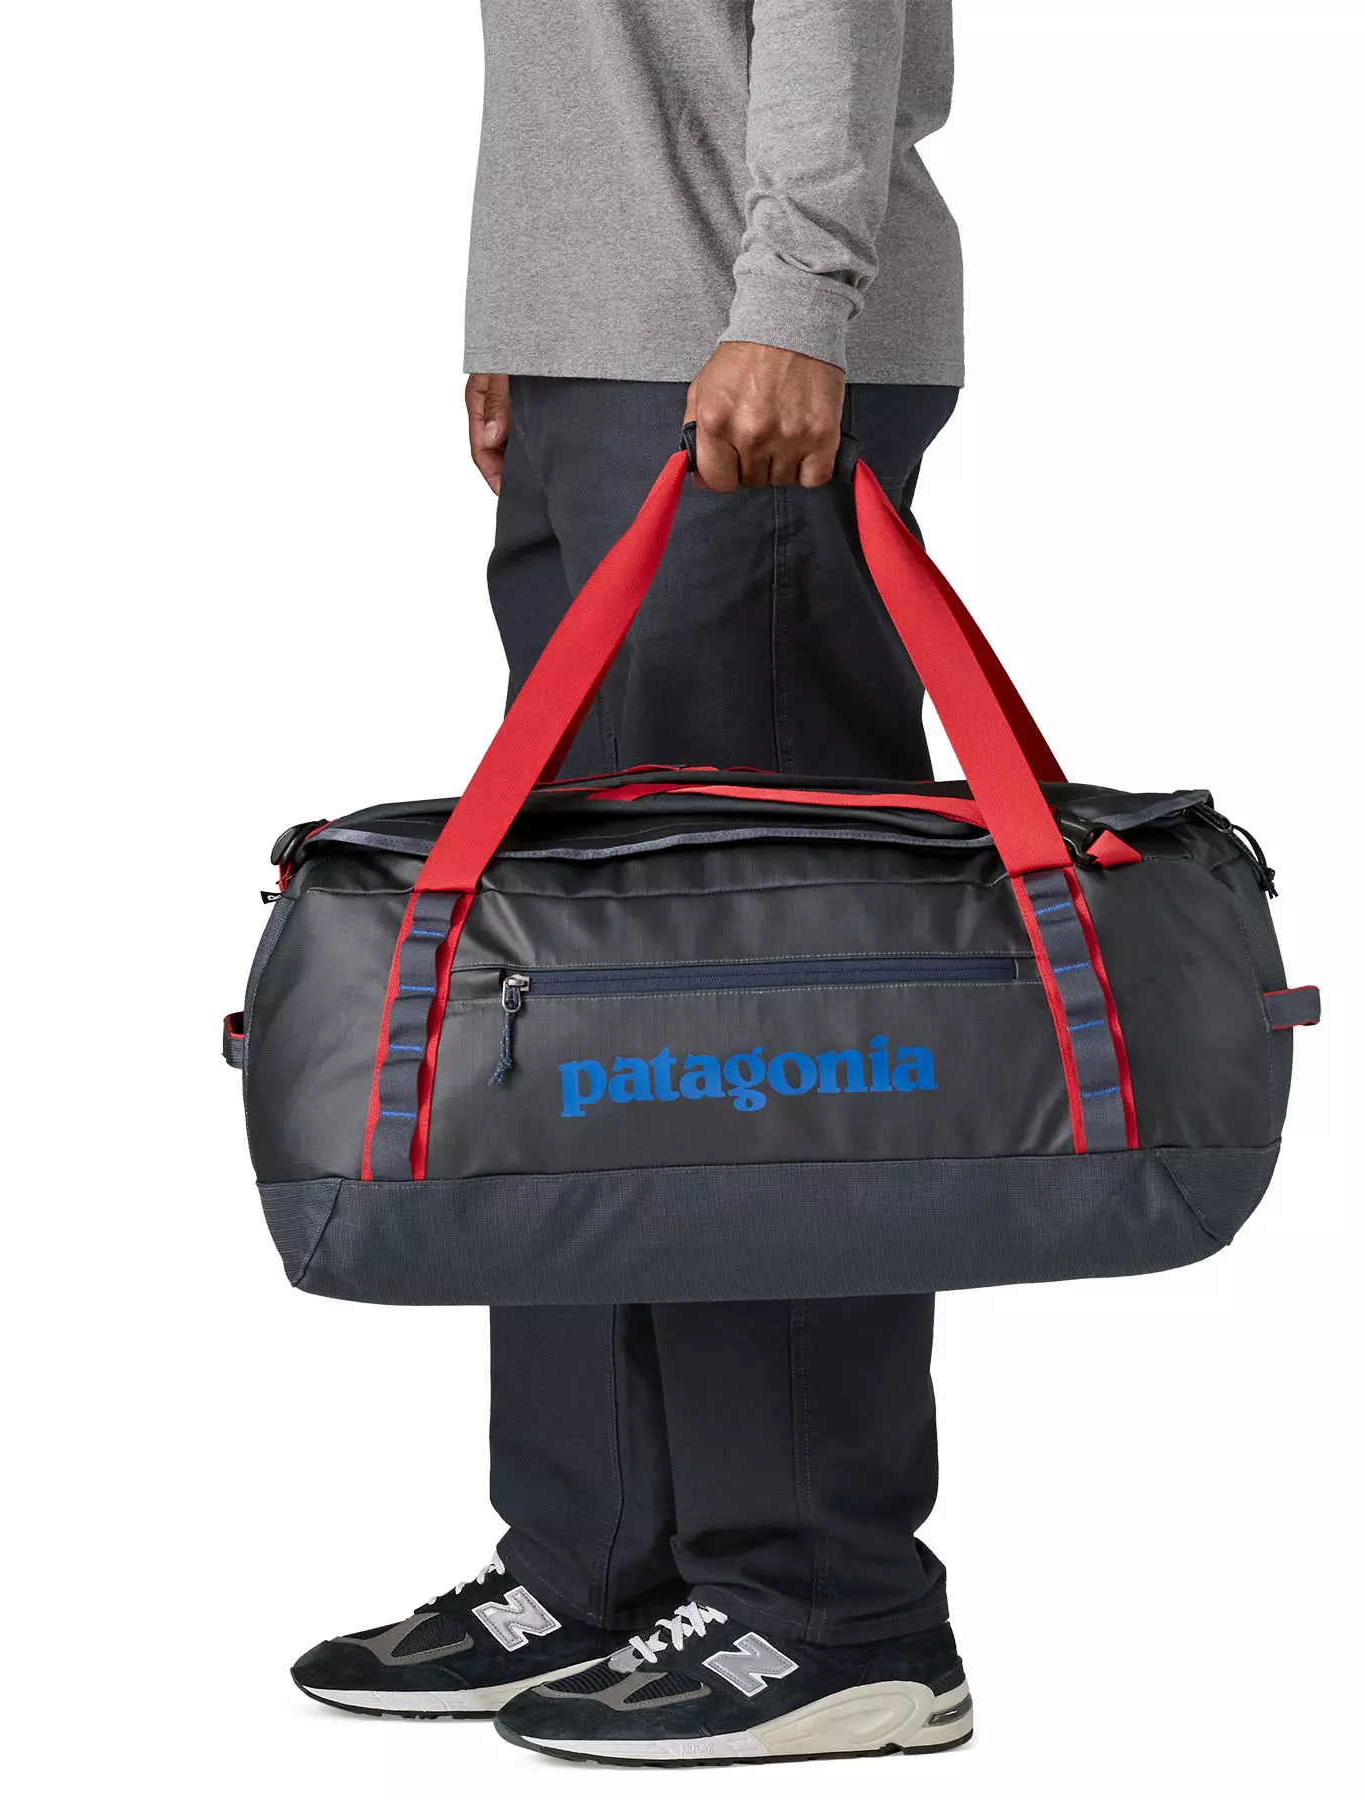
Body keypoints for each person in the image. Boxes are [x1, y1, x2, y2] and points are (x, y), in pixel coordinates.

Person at [291, 2, 972, 1764]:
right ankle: (597, 1563)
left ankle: (832, 1608)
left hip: (742, 346)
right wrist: (514, 317)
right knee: (586, 1004)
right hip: (599, 357)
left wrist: (797, 296)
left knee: (757, 1007)